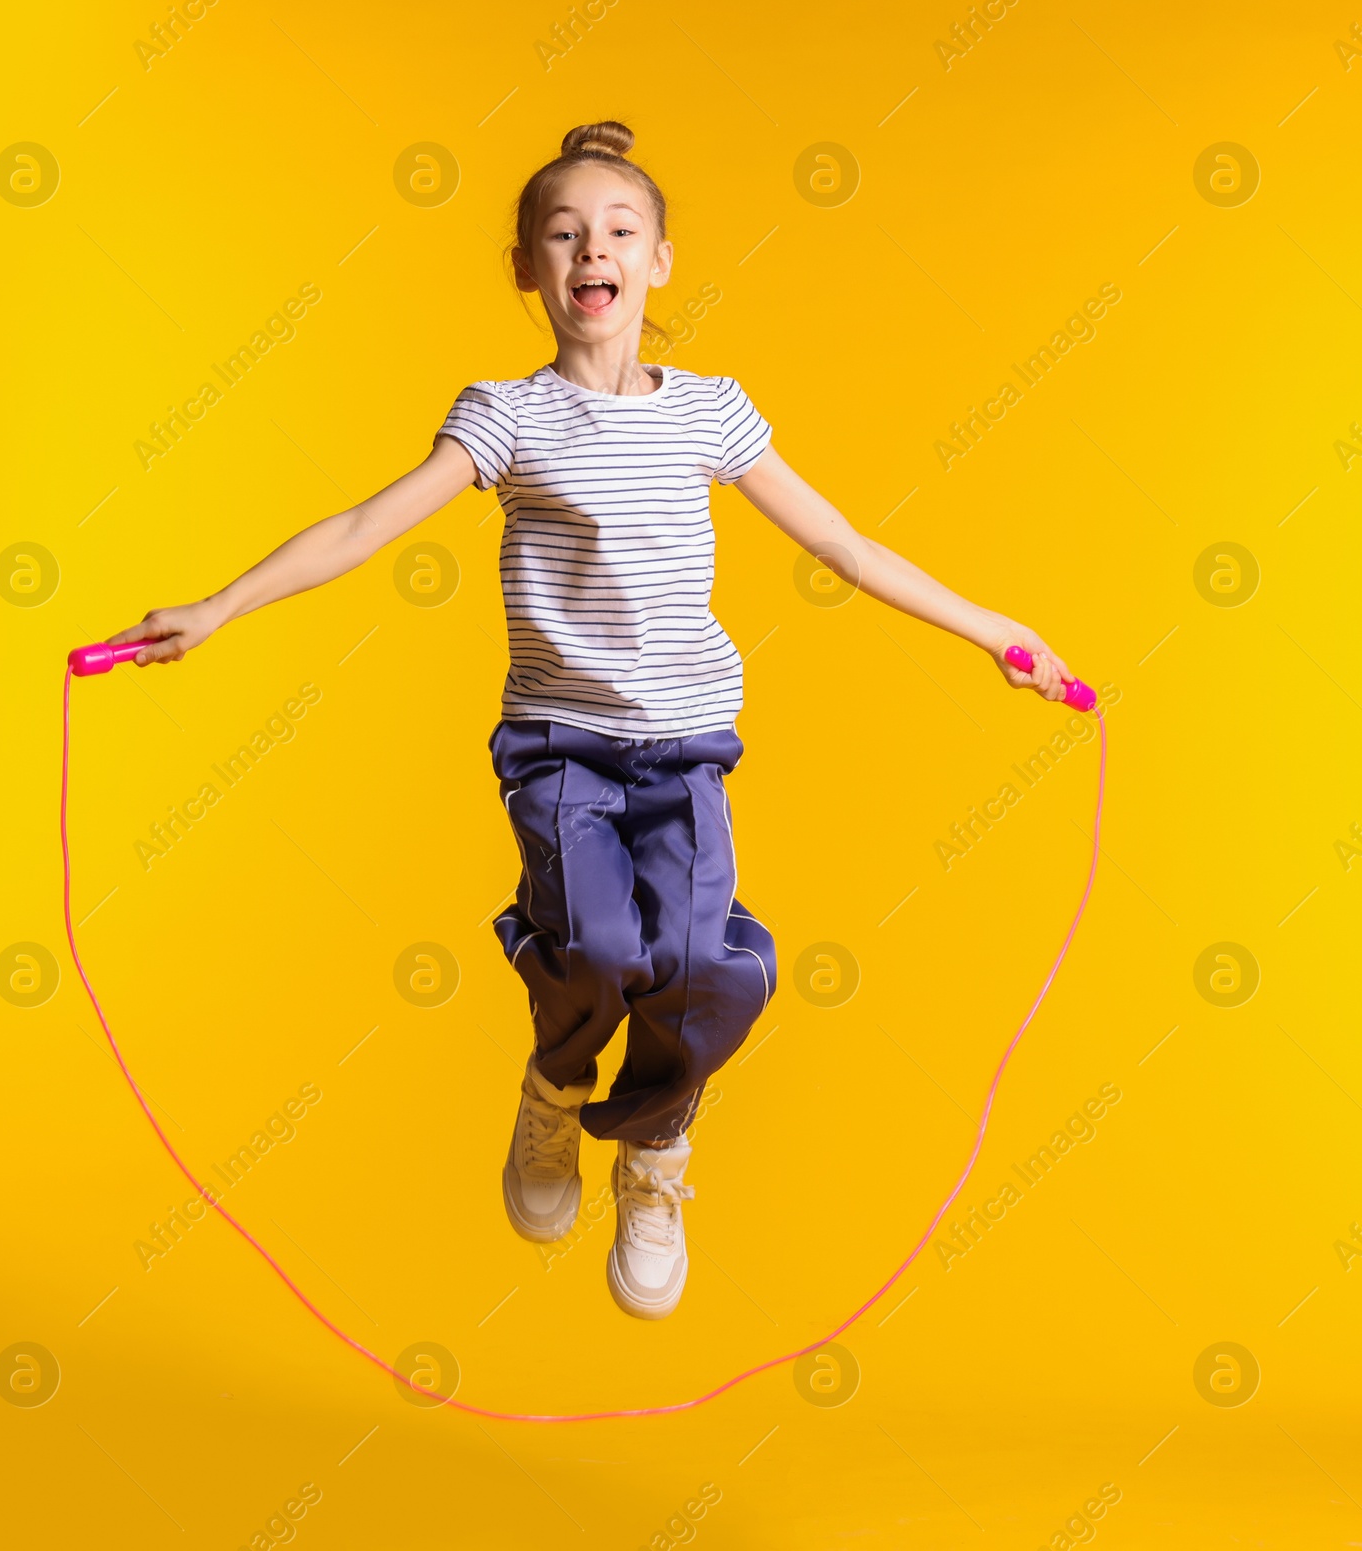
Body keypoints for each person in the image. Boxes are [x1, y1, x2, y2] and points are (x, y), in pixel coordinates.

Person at [110, 120, 1073, 1321]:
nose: (589, 252)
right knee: (607, 951)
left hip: (686, 754)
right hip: (560, 751)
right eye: (561, 236)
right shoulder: (505, 418)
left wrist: (993, 630)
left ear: (661, 261)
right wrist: (221, 604)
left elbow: (844, 543)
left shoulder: (711, 412)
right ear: (527, 269)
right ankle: (557, 1090)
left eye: (617, 231)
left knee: (706, 968)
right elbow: (365, 525)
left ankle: (655, 1154)